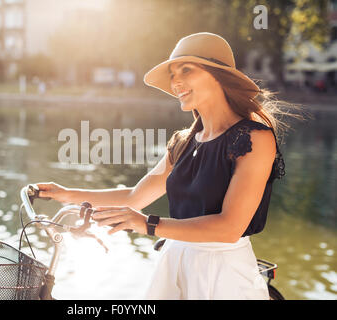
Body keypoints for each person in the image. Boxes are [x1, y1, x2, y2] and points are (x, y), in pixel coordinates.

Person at [35, 32, 296, 300]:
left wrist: (148, 224)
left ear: (219, 76)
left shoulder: (254, 139)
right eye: (173, 74)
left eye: (186, 70)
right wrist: (64, 193)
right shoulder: (183, 142)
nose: (176, 82)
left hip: (223, 274)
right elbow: (134, 197)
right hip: (174, 262)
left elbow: (229, 228)